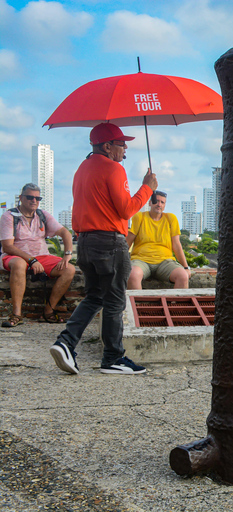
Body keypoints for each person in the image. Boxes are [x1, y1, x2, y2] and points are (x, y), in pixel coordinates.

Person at [50, 123, 157, 376]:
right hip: (109, 242)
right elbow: (126, 210)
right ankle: (113, 358)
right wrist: (148, 187)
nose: (125, 148)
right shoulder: (114, 168)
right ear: (107, 146)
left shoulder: (82, 169)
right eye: (121, 143)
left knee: (95, 295)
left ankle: (66, 342)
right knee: (114, 301)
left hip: (85, 242)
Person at [0, 183, 76, 327]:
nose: (34, 201)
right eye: (30, 197)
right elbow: (8, 246)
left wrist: (67, 255)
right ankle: (16, 314)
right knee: (19, 264)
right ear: (21, 198)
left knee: (69, 269)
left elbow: (65, 232)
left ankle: (48, 311)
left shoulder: (42, 215)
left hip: (42, 256)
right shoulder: (9, 216)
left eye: (37, 198)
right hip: (15, 256)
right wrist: (31, 260)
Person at [126, 191, 190, 290]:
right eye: (157, 201)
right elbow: (128, 242)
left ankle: (176, 305)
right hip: (141, 260)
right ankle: (138, 305)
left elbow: (177, 245)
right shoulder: (139, 217)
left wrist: (186, 267)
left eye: (162, 202)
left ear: (165, 205)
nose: (159, 204)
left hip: (165, 261)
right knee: (132, 275)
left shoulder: (170, 218)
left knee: (183, 276)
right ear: (150, 203)